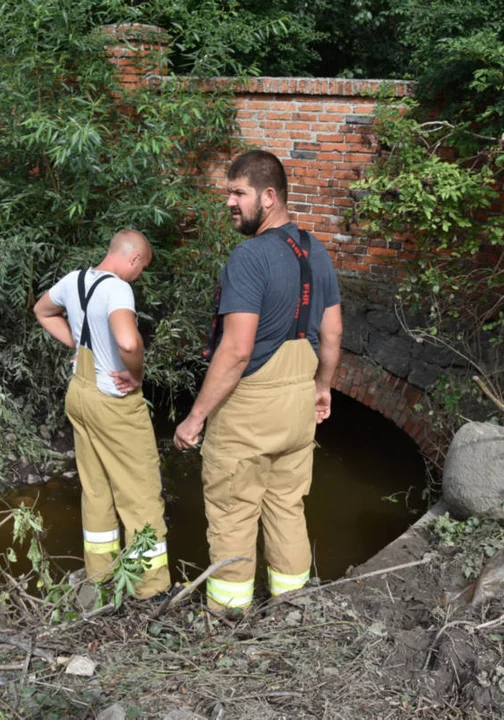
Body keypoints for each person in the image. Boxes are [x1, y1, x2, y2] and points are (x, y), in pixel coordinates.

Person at [174, 150, 342, 613]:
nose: (228, 201)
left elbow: (236, 351)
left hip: (249, 412)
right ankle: (294, 609)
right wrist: (322, 388)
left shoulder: (248, 257)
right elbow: (332, 334)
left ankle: (229, 618)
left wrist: (196, 417)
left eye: (237, 192)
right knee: (288, 507)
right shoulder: (316, 250)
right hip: (296, 408)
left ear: (269, 197)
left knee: (233, 512)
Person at [33, 229, 169, 600]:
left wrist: (75, 344)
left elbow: (42, 311)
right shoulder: (118, 289)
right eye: (141, 268)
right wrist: (136, 374)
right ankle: (149, 588)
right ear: (134, 260)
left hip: (79, 394)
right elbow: (128, 341)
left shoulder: (72, 280)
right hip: (113, 401)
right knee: (140, 493)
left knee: (96, 490)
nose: (138, 276)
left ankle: (100, 577)